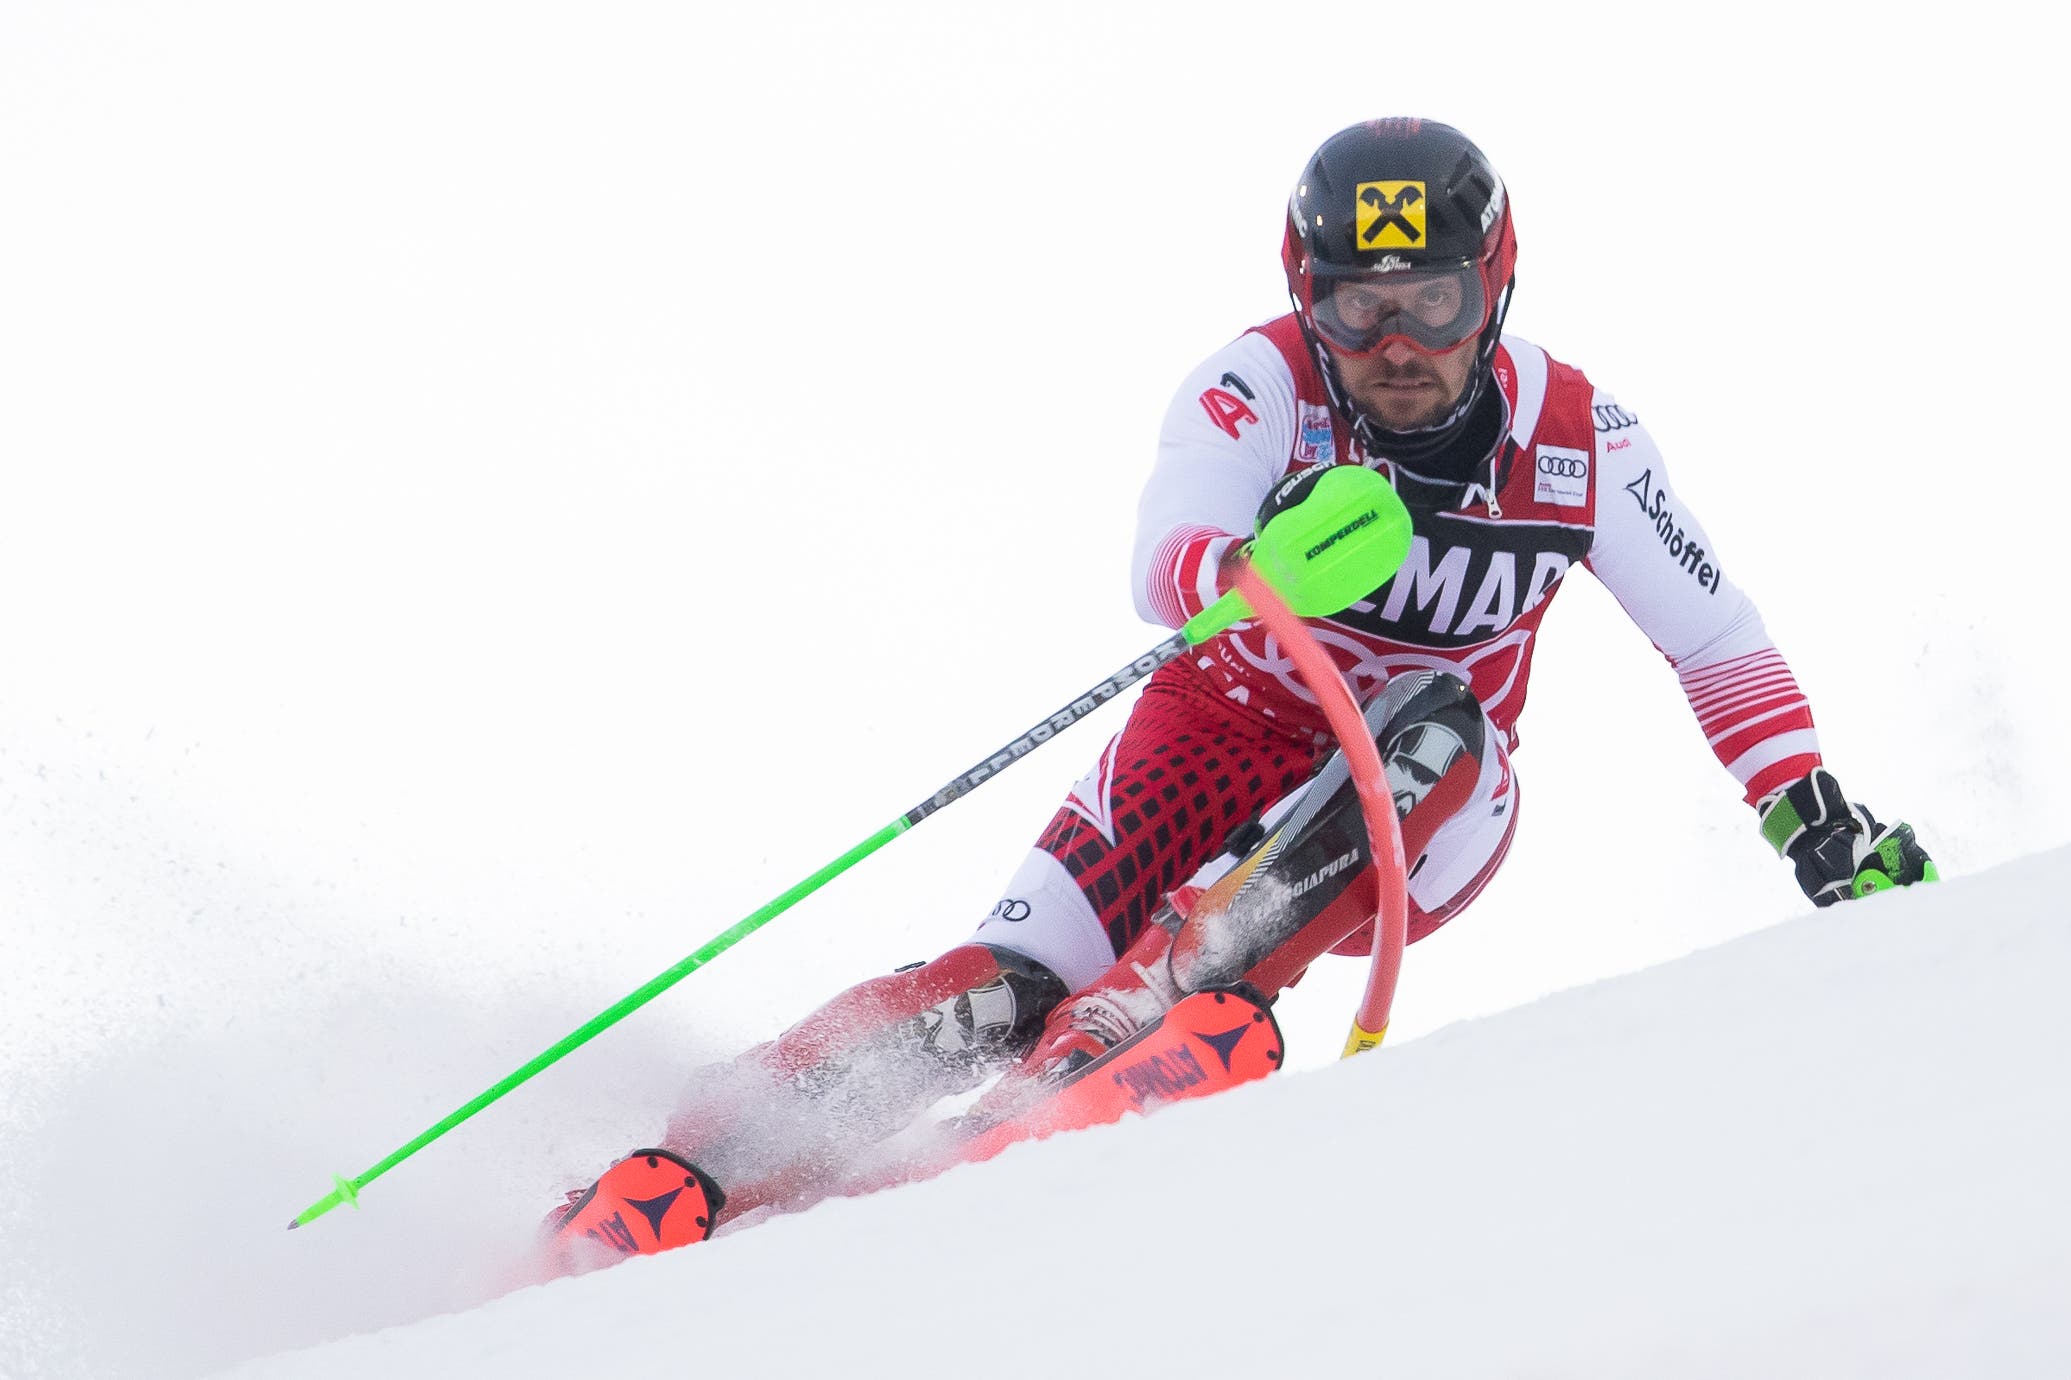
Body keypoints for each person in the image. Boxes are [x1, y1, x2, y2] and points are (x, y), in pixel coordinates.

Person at [542, 117, 1937, 1262]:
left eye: (1434, 303)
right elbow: (1167, 548)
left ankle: (1162, 1000)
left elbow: (1717, 635)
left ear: (1494, 285)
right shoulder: (1259, 382)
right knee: (992, 990)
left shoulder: (1586, 441)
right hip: (1216, 736)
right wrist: (1242, 558)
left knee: (1433, 713)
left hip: (1421, 806)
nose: (1398, 344)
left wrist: (1807, 812)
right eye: (1358, 306)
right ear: (1306, 298)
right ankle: (699, 1171)